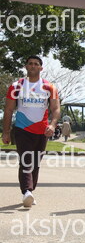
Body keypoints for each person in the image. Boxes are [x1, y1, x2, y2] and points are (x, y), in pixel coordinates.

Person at [2, 56, 60, 207]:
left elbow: (55, 109)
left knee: (35, 162)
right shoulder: (16, 86)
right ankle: (26, 191)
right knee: (26, 160)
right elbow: (8, 109)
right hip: (22, 129)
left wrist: (52, 125)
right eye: (30, 64)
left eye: (36, 64)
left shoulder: (49, 87)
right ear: (26, 66)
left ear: (41, 68)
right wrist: (6, 132)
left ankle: (30, 190)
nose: (33, 66)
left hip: (42, 131)